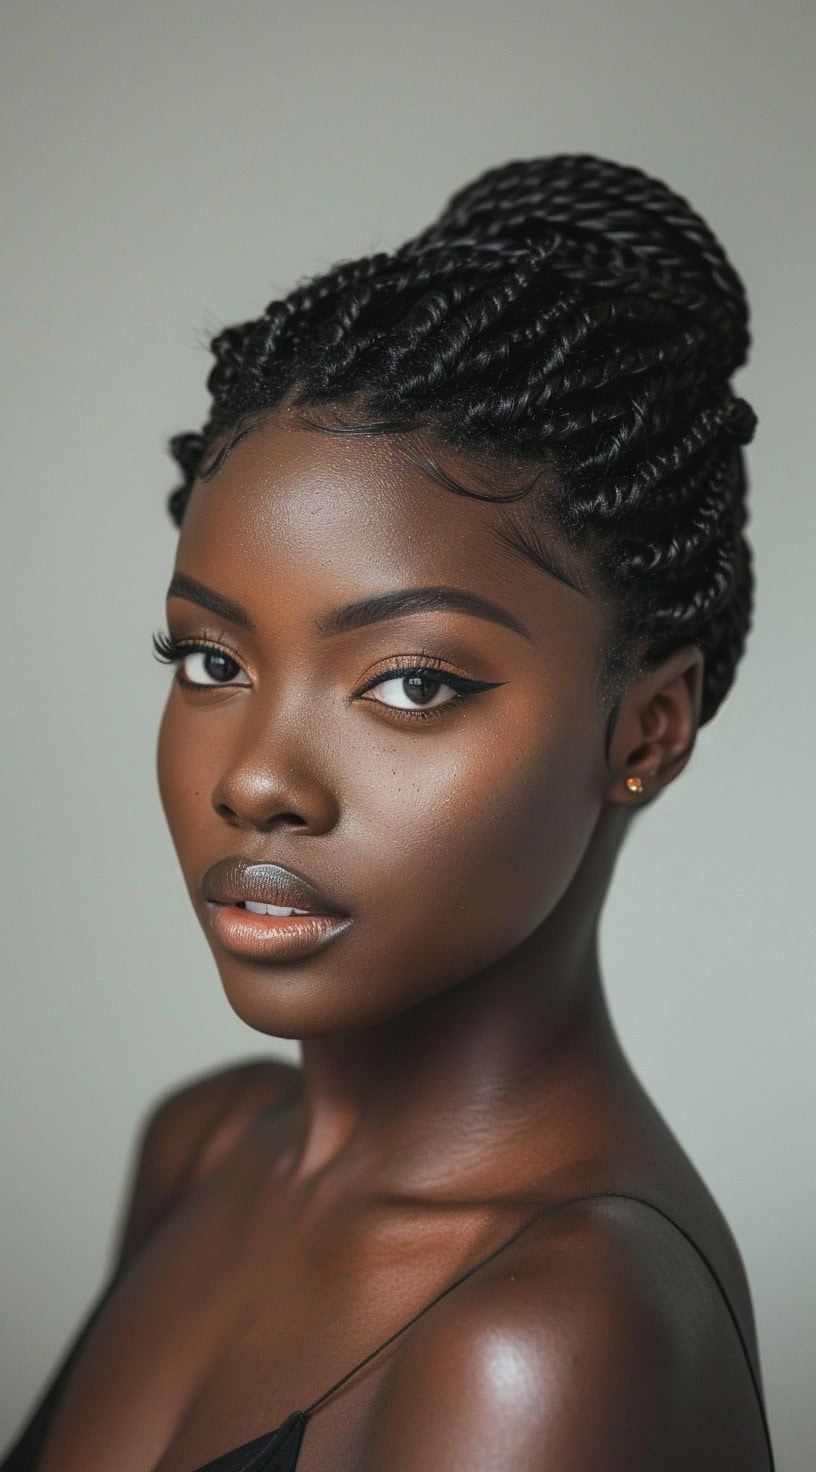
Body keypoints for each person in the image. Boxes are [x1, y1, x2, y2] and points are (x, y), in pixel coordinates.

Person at [3, 153, 775, 1471]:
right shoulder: (208, 1148)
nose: (255, 779)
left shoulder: (546, 1338)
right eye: (210, 661)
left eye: (411, 682)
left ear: (648, 729)